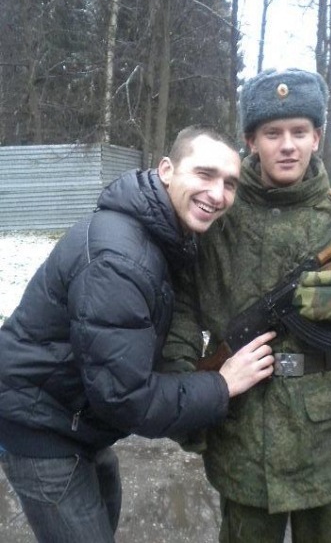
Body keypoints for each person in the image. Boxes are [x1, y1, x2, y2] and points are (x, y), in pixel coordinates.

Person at [163, 71, 331, 542]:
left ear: (316, 137)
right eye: (272, 133)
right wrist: (188, 394)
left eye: (299, 132)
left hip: (330, 441)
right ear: (251, 141)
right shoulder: (218, 214)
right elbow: (181, 310)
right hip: (242, 436)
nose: (287, 146)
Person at [0, 125, 275, 543]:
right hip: (41, 427)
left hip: (79, 420)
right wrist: (222, 384)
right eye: (204, 174)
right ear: (166, 170)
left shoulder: (162, 235)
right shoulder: (120, 260)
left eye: (229, 183)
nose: (217, 194)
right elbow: (125, 398)